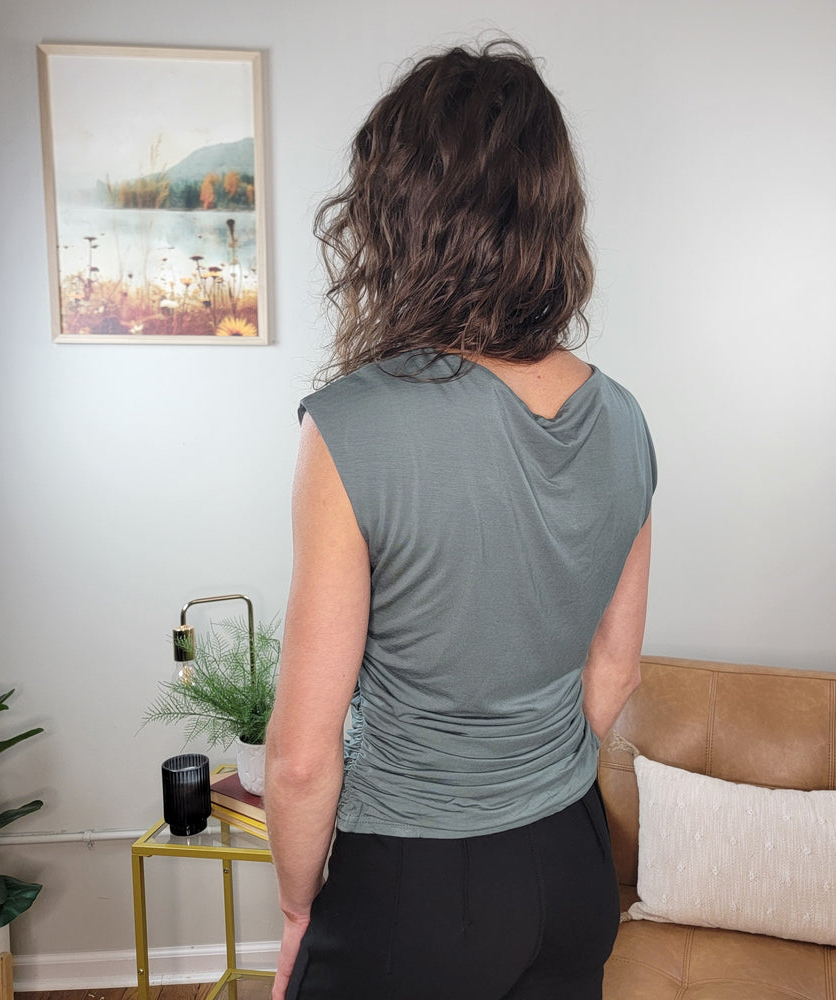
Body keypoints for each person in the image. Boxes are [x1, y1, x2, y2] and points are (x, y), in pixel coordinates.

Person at [265, 39, 655, 1000]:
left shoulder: (355, 425)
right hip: (571, 867)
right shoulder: (624, 418)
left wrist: (297, 908)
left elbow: (303, 760)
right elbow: (615, 669)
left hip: (415, 885)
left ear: (397, 214)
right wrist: (530, 777)